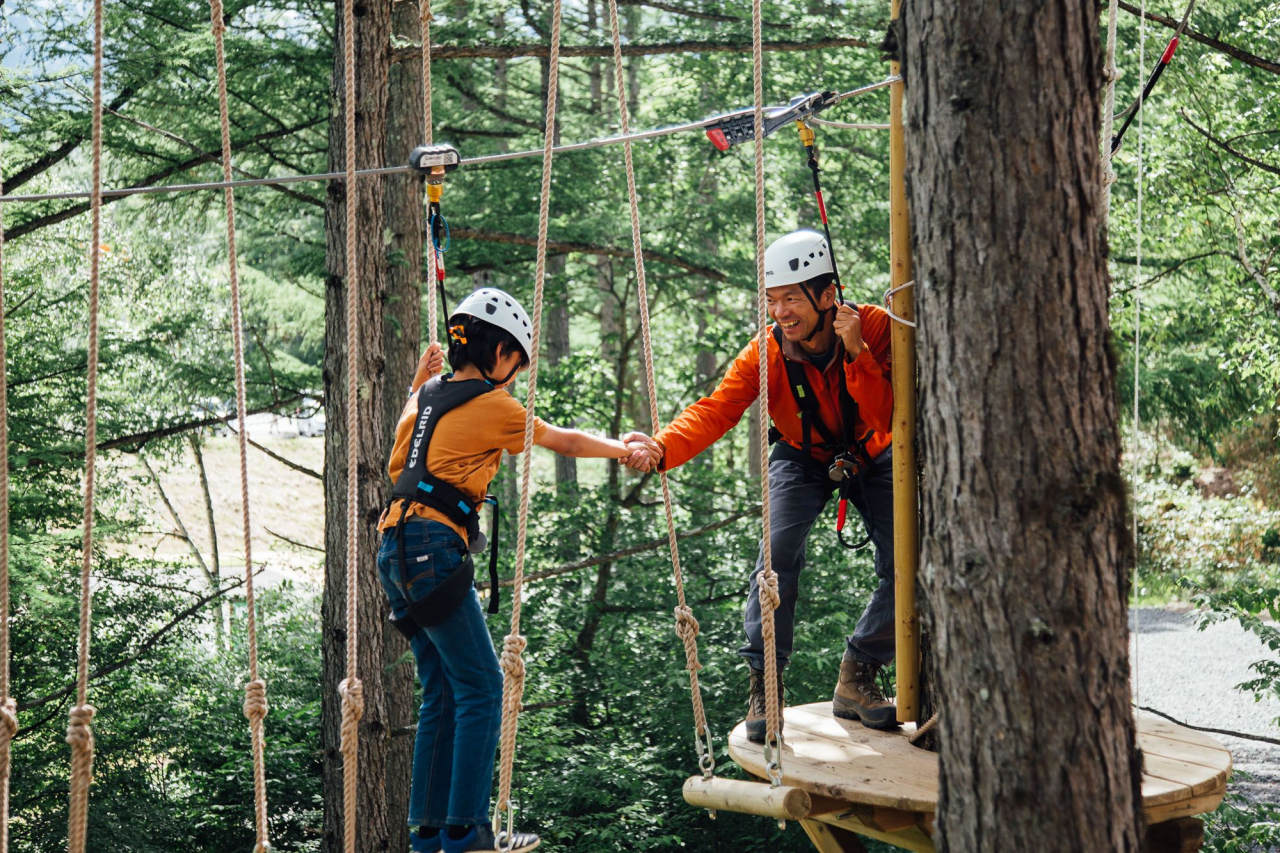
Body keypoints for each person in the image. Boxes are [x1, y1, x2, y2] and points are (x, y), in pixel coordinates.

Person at [378, 288, 651, 853]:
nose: (514, 378)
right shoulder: (495, 405)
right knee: (482, 685)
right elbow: (562, 440)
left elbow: (397, 461)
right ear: (499, 350)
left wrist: (414, 383)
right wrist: (621, 449)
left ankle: (431, 833)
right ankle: (468, 830)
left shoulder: (426, 396)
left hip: (394, 547)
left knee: (442, 691)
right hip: (433, 547)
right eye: (516, 365)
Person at [623, 230, 899, 737]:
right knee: (775, 557)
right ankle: (763, 684)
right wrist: (662, 447)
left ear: (826, 295)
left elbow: (887, 416)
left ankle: (859, 672)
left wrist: (856, 351)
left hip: (872, 451)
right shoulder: (766, 352)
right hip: (801, 456)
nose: (781, 312)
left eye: (791, 297)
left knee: (910, 559)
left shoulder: (874, 329)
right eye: (772, 300)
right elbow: (715, 410)